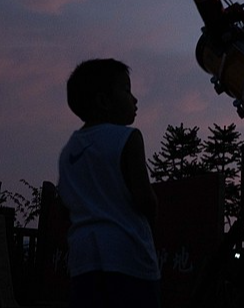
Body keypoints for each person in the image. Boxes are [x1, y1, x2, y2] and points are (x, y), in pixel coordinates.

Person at [58, 59, 161, 308]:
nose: (134, 99)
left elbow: (65, 206)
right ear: (104, 101)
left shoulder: (69, 150)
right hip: (128, 256)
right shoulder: (127, 138)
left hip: (83, 259)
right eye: (126, 90)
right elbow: (144, 199)